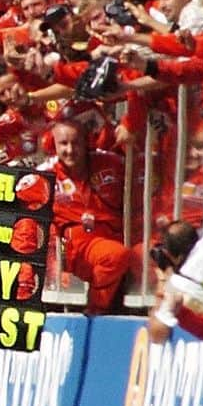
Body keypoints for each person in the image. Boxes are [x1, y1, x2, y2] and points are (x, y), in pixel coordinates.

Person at [38, 118, 130, 314]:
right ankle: (96, 308)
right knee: (115, 255)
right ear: (52, 144)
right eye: (63, 143)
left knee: (121, 255)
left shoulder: (113, 163)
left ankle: (101, 305)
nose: (70, 150)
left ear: (86, 141)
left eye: (76, 142)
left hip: (112, 242)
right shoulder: (43, 175)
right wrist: (53, 265)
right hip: (69, 249)